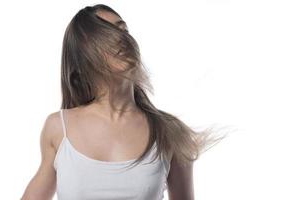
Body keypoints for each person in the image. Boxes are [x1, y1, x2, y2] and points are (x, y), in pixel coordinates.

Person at [21, 3, 226, 200]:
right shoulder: (59, 128)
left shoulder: (169, 131)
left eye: (123, 31)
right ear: (83, 58)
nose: (121, 39)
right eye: (105, 35)